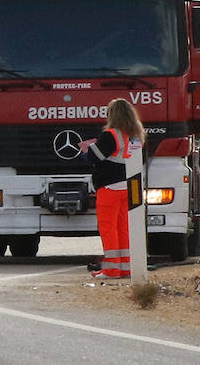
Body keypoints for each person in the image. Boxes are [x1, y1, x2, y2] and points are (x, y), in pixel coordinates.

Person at [82, 98, 144, 280]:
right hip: (130, 187)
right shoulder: (136, 135)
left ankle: (111, 270)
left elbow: (94, 157)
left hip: (110, 188)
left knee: (108, 228)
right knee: (124, 227)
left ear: (113, 115)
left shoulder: (111, 135)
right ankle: (125, 268)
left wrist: (85, 151)